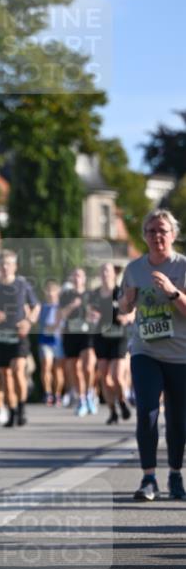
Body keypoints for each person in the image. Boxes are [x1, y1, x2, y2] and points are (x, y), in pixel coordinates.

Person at [118, 209, 186, 501]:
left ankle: (174, 474)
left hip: (180, 354)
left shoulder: (183, 266)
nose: (157, 236)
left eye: (163, 231)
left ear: (173, 235)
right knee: (147, 412)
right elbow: (123, 310)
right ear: (144, 236)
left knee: (178, 419)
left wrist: (173, 292)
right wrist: (126, 303)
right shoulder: (133, 269)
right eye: (151, 231)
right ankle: (148, 478)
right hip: (145, 350)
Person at [0, 250, 39, 427]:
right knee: (5, 375)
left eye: (9, 264)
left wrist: (28, 322)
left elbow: (36, 307)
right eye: (2, 264)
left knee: (18, 370)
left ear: (15, 267)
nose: (5, 267)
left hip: (19, 334)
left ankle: (21, 408)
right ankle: (12, 410)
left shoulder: (23, 285)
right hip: (0, 336)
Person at [89, 262, 133, 426]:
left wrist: (127, 317)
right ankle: (113, 411)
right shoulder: (94, 294)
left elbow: (133, 309)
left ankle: (122, 401)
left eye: (107, 270)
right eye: (102, 271)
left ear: (114, 273)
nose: (104, 273)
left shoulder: (120, 292)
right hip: (101, 338)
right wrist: (91, 316)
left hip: (119, 337)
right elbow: (88, 313)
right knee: (105, 379)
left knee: (117, 377)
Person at [59, 267, 98, 417]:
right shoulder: (66, 295)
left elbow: (99, 312)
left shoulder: (91, 294)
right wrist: (72, 305)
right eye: (74, 276)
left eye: (79, 276)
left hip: (88, 333)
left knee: (88, 366)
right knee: (74, 368)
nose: (77, 278)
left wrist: (93, 314)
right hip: (71, 333)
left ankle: (90, 393)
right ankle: (81, 398)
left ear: (84, 279)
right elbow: (61, 314)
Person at [37, 279, 65, 406]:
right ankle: (47, 393)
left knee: (58, 369)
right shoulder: (41, 307)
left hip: (58, 341)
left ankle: (57, 394)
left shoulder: (62, 307)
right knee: (46, 366)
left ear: (58, 292)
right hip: (45, 340)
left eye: (53, 291)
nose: (50, 293)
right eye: (48, 291)